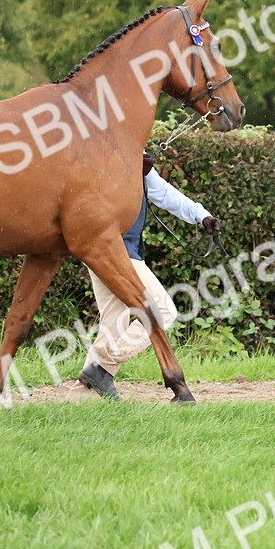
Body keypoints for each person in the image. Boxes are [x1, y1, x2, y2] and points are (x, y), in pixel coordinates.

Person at [78, 152, 221, 399]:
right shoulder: (104, 160)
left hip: (102, 254)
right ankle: (101, 365)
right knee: (163, 311)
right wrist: (127, 169)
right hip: (117, 255)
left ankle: (79, 400)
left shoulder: (138, 163)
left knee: (114, 323)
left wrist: (201, 215)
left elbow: (165, 194)